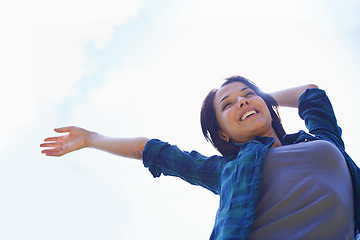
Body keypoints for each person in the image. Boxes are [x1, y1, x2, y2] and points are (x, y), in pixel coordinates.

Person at [40, 75, 360, 240]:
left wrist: (257, 99)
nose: (241, 103)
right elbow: (150, 149)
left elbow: (311, 93)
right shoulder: (228, 170)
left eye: (248, 96)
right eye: (228, 105)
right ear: (223, 135)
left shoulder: (323, 142)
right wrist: (92, 139)